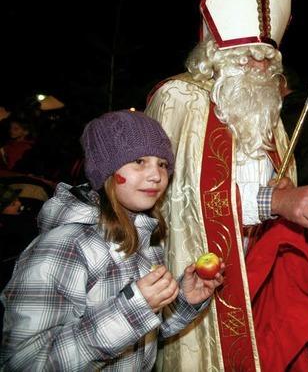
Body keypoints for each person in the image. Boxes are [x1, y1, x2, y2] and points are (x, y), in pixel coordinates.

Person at [145, 0, 308, 369]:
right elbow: (178, 199)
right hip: (198, 284)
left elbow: (281, 181)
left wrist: (292, 198)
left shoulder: (267, 110)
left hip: (259, 275)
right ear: (216, 52)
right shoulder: (180, 98)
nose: (259, 66)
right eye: (247, 54)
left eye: (268, 57)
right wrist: (276, 202)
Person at [0, 110, 223, 370]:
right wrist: (132, 309)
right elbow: (24, 363)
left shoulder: (146, 240)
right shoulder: (66, 246)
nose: (156, 175)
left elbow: (144, 337)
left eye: (162, 163)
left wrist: (184, 299)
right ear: (106, 170)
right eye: (139, 161)